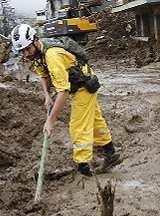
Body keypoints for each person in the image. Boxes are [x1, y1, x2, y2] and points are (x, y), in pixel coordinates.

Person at [10, 24, 122, 177]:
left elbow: (63, 91)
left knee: (78, 126)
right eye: (22, 51)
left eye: (27, 49)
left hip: (84, 85)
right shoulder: (37, 55)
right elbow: (43, 75)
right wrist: (47, 95)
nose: (26, 54)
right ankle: (111, 153)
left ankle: (84, 168)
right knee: (95, 122)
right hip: (77, 84)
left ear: (35, 40)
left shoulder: (52, 56)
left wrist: (50, 120)